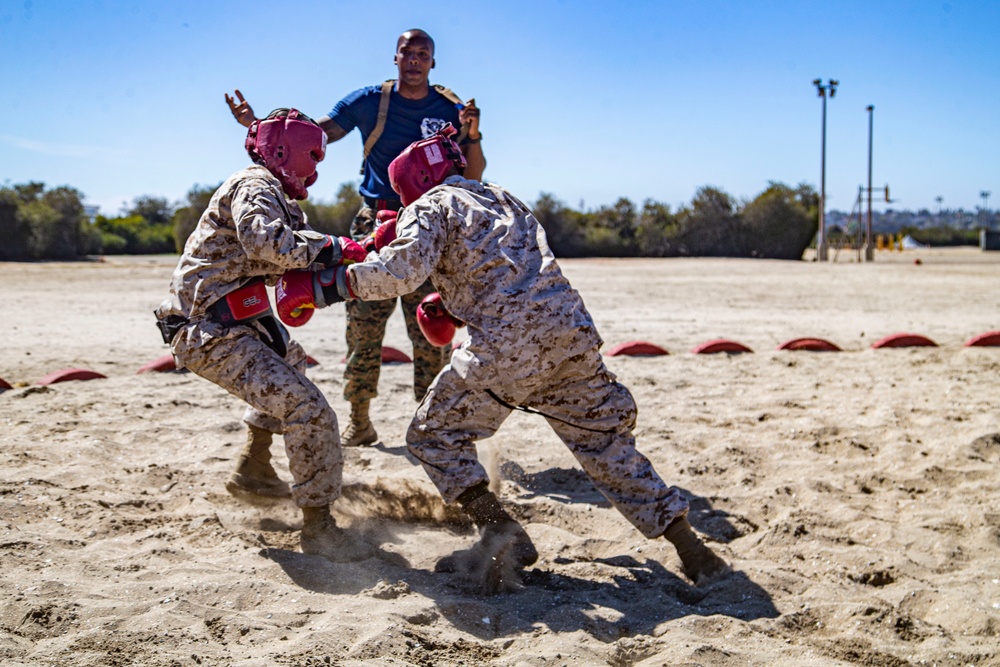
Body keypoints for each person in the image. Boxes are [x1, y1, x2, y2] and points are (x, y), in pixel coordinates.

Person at [273, 127, 732, 586]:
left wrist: (322, 287)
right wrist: (451, 300)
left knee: (433, 434)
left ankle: (499, 528)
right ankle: (694, 551)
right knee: (606, 445)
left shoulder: (433, 206)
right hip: (571, 333)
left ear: (413, 184)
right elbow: (501, 268)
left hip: (506, 347)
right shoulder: (504, 198)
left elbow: (397, 274)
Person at [225, 28, 486, 448]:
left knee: (432, 328)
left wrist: (471, 133)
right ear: (395, 57)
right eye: (407, 52)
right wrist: (257, 127)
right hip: (375, 225)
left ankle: (434, 426)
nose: (415, 60)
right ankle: (360, 421)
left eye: (423, 54)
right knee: (364, 327)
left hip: (432, 227)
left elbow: (472, 175)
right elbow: (313, 135)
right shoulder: (370, 102)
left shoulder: (451, 108)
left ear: (433, 62)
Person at [154, 108, 375, 562]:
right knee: (310, 411)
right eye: (313, 154)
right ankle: (318, 528)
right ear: (284, 151)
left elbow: (301, 252)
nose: (317, 166)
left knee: (290, 362)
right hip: (211, 329)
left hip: (238, 324)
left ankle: (254, 465)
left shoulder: (273, 193)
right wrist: (337, 247)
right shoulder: (255, 186)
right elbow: (270, 245)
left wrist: (366, 247)